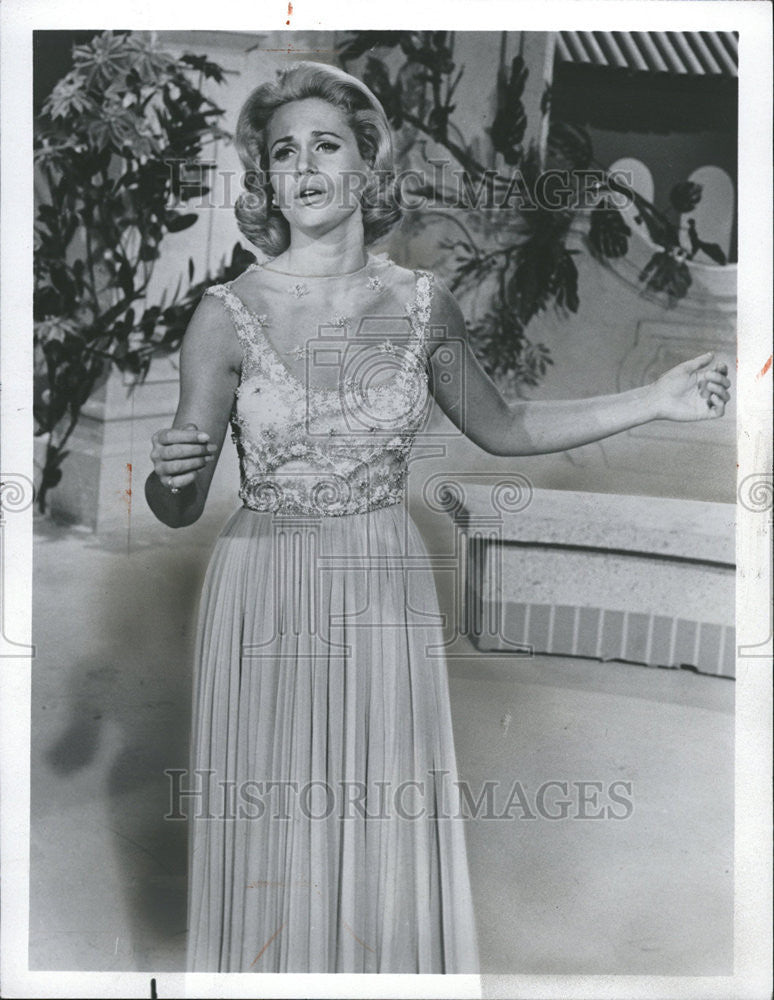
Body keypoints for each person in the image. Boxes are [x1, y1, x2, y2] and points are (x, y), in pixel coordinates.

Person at [145, 61, 731, 974]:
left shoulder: (424, 307)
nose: (303, 166)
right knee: (274, 812)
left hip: (380, 577)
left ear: (369, 167)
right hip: (261, 586)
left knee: (378, 804)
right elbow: (176, 505)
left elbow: (507, 427)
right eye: (282, 152)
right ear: (264, 181)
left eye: (325, 144)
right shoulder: (224, 317)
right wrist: (170, 477)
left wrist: (653, 398)